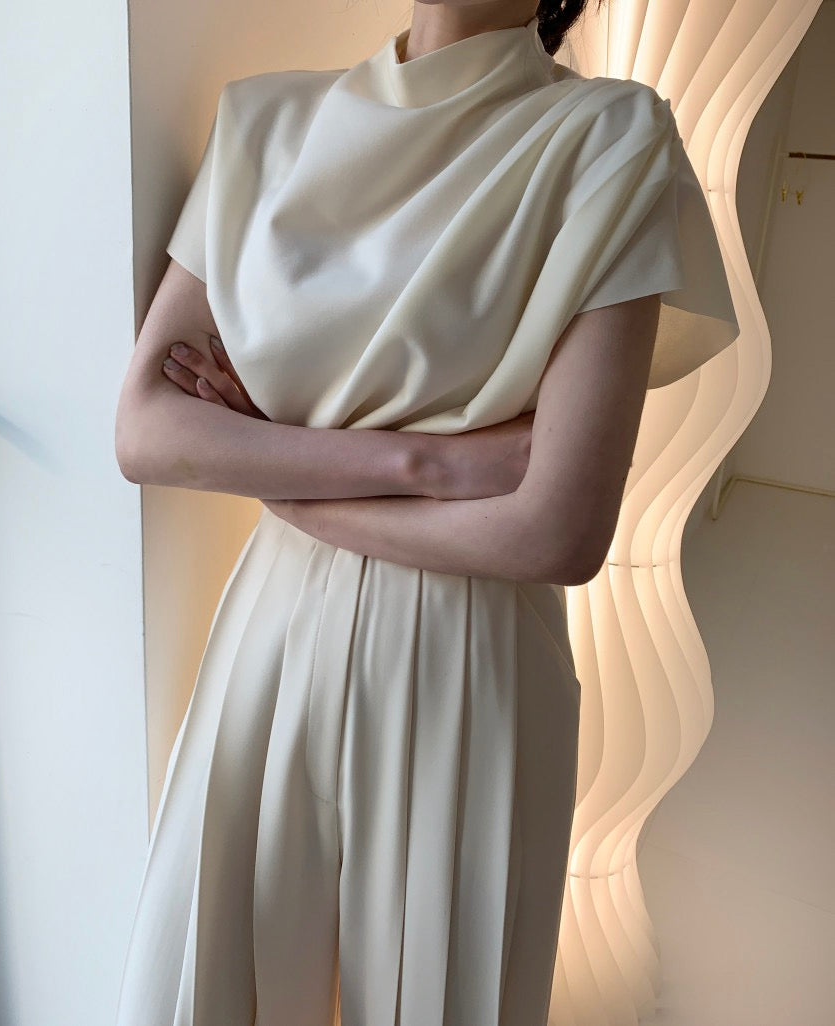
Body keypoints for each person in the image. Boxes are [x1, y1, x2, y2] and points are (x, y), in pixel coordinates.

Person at [113, 1, 739, 1023]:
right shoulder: (262, 121)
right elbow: (146, 429)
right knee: (221, 982)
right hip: (270, 645)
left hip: (470, 660)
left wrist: (274, 466)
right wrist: (429, 462)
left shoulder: (610, 136)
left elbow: (558, 532)